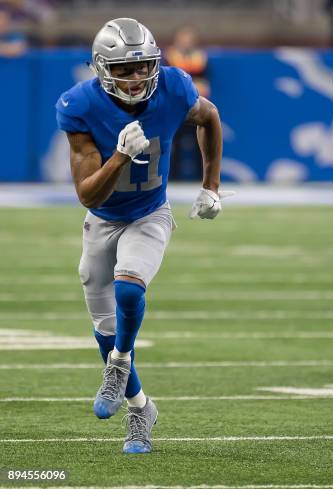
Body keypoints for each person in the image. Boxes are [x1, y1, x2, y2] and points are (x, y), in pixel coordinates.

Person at [55, 17, 231, 454]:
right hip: (103, 217)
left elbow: (209, 117)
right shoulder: (79, 104)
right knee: (104, 323)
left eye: (143, 67)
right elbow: (86, 193)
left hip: (151, 212)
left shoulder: (173, 87)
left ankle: (118, 363)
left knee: (129, 289)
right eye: (124, 69)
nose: (136, 78)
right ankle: (140, 408)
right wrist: (118, 157)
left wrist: (210, 185)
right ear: (101, 68)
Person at [164, 24, 210, 181]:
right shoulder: (170, 56)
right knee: (172, 142)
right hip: (175, 108)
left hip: (195, 106)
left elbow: (204, 81)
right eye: (184, 38)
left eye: (189, 38)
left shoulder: (200, 57)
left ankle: (202, 177)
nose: (187, 41)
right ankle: (171, 177)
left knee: (200, 142)